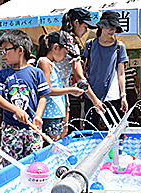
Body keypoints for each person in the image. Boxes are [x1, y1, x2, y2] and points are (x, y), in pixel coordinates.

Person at [0, 30, 51, 165]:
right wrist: (15, 110)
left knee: (34, 164)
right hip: (10, 127)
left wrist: (38, 116)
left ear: (20, 50)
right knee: (11, 164)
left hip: (32, 127)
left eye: (6, 50)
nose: (3, 54)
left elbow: (43, 97)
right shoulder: (3, 74)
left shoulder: (37, 73)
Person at [56, 8, 105, 138]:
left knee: (54, 136)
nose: (86, 31)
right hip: (58, 95)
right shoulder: (69, 42)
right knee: (59, 136)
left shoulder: (57, 38)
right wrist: (95, 101)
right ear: (76, 22)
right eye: (85, 26)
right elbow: (80, 78)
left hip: (53, 92)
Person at [83, 11, 128, 130]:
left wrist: (123, 95)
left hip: (112, 94)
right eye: (109, 27)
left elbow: (121, 73)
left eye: (114, 28)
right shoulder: (90, 44)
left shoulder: (119, 46)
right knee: (89, 129)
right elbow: (84, 69)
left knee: (113, 131)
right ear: (101, 26)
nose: (111, 30)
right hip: (91, 93)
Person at [37, 30, 84, 141]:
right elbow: (46, 90)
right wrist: (70, 90)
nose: (65, 56)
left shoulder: (51, 64)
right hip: (49, 115)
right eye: (65, 52)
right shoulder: (44, 62)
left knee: (55, 143)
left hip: (55, 113)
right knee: (51, 146)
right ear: (55, 47)